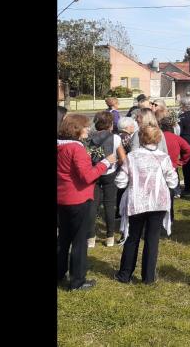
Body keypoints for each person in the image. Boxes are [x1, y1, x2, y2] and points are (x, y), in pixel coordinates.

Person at [114, 124, 179, 284]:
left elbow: (121, 181)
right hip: (157, 201)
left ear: (141, 137)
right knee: (152, 239)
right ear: (158, 138)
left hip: (138, 201)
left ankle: (125, 274)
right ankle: (148, 277)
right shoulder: (163, 157)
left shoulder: (132, 156)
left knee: (133, 237)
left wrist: (129, 182)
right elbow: (172, 180)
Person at [58, 113, 117, 291]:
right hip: (78, 198)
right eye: (85, 126)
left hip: (62, 198)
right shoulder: (76, 149)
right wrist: (105, 162)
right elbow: (87, 176)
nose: (88, 129)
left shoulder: (60, 146)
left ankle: (59, 272)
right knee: (79, 241)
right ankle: (78, 281)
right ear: (76, 129)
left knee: (63, 238)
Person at [89, 111, 128, 247]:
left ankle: (91, 238)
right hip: (109, 173)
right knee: (109, 205)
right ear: (111, 124)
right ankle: (110, 236)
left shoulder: (89, 137)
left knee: (93, 206)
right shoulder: (115, 138)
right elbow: (123, 158)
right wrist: (117, 165)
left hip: (93, 173)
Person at [160, 113, 190, 221]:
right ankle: (170, 216)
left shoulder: (157, 137)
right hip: (172, 167)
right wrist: (182, 161)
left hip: (158, 168)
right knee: (170, 194)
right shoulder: (176, 138)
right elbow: (188, 149)